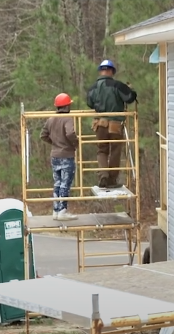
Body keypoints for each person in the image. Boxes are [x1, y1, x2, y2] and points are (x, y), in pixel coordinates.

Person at [86, 59, 137, 189]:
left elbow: (90, 103)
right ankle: (112, 180)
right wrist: (130, 90)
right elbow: (130, 98)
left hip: (100, 124)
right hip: (115, 124)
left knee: (102, 151)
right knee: (115, 151)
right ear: (111, 71)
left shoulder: (92, 88)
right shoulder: (117, 85)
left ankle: (103, 175)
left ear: (101, 71)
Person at [40, 93, 78, 221]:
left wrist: (55, 143)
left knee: (57, 183)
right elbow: (71, 133)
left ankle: (56, 211)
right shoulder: (67, 118)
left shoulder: (51, 119)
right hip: (66, 155)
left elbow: (43, 135)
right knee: (65, 184)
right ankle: (62, 211)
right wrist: (75, 144)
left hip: (55, 156)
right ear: (67, 106)